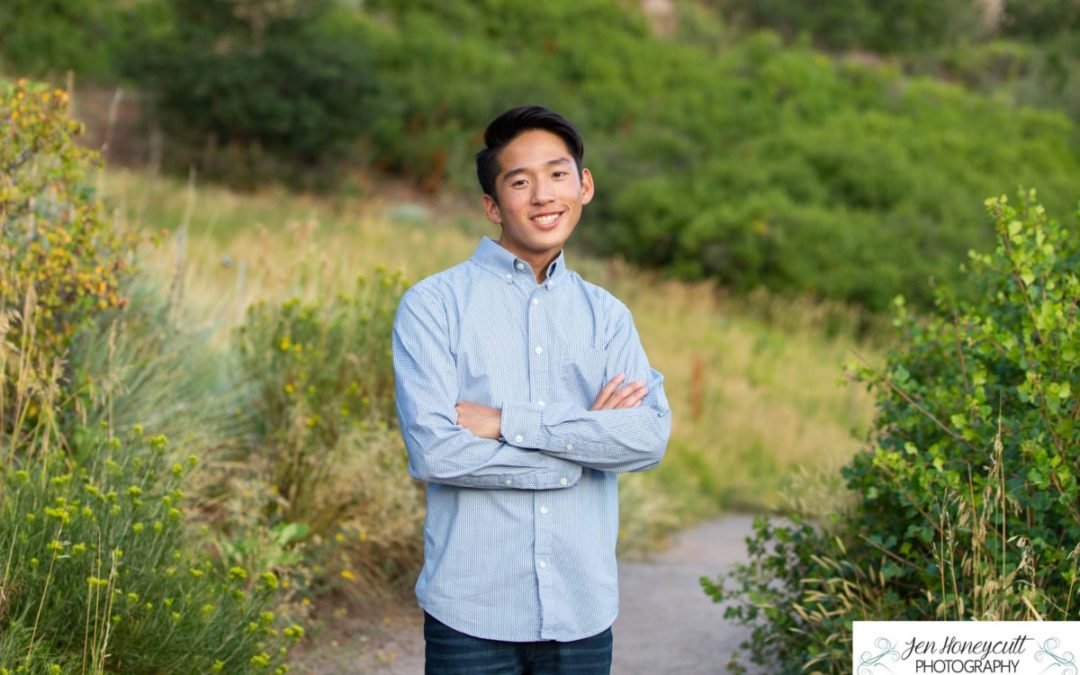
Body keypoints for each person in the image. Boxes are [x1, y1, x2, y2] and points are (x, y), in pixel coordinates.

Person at [392, 105, 672, 675]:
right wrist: (581, 451)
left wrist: (506, 422)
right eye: (521, 182)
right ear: (493, 206)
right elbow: (437, 451)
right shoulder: (433, 306)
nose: (544, 195)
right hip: (470, 610)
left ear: (584, 185)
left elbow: (646, 437)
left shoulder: (607, 316)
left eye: (558, 174)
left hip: (582, 611)